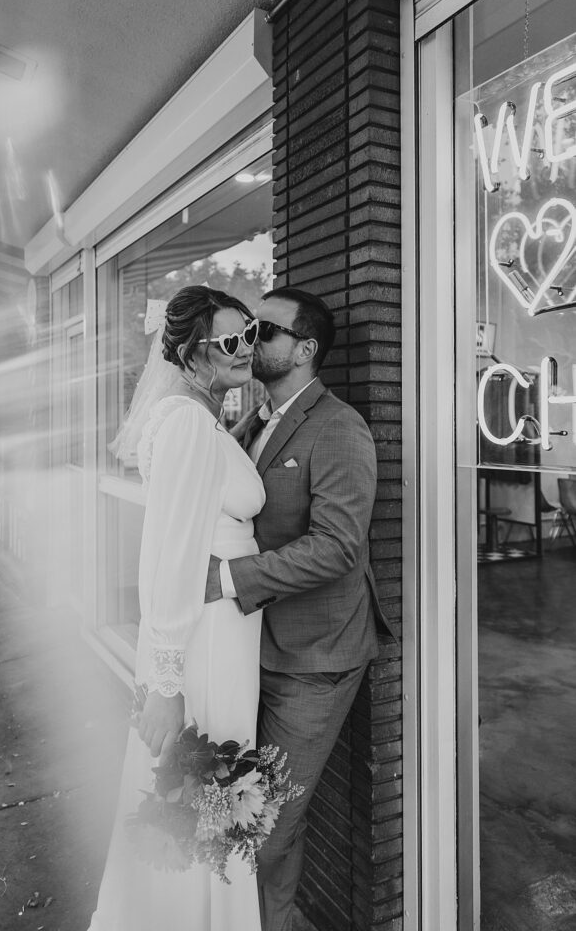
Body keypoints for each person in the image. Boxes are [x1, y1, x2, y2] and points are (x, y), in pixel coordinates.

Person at [205, 286, 397, 931]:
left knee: (266, 822)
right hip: (253, 645)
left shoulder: (341, 428)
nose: (251, 339)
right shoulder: (252, 420)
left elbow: (337, 548)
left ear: (305, 348)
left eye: (265, 329)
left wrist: (228, 578)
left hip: (316, 656)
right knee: (253, 810)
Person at [88, 285, 266, 931]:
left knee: (203, 798)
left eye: (249, 335)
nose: (245, 349)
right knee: (205, 790)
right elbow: (169, 559)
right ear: (191, 355)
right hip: (208, 641)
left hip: (219, 634)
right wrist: (165, 686)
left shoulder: (196, 415)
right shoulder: (189, 424)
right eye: (228, 342)